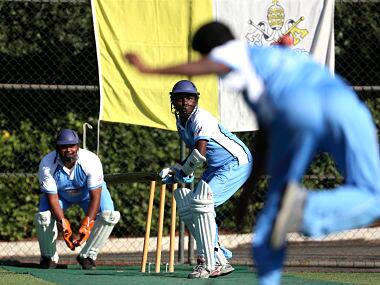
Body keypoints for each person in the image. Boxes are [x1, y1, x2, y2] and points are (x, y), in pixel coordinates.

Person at [125, 21, 380, 285]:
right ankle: (294, 219)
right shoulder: (264, 72)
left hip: (293, 114)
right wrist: (247, 191)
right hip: (347, 106)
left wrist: (149, 69)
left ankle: (288, 218)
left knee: (209, 204)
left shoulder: (236, 55)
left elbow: (212, 65)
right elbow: (264, 135)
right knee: (372, 196)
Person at [159, 79, 253, 278]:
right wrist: (176, 171)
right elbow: (194, 155)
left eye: (189, 98)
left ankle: (210, 260)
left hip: (236, 162)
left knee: (203, 203)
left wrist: (182, 172)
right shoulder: (181, 122)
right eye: (180, 99)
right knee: (191, 207)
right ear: (173, 101)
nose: (185, 102)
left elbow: (199, 154)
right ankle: (219, 258)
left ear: (196, 100)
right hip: (217, 166)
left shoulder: (201, 118)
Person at [35, 128, 120, 270]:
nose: (68, 150)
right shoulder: (47, 164)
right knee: (43, 217)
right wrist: (64, 225)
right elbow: (53, 199)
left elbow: (95, 196)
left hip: (88, 196)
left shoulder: (91, 160)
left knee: (110, 215)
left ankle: (87, 256)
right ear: (57, 148)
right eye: (63, 146)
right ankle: (48, 257)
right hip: (61, 197)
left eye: (72, 146)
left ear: (78, 146)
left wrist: (87, 224)